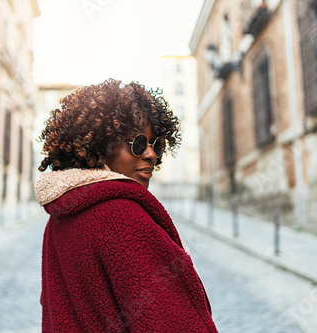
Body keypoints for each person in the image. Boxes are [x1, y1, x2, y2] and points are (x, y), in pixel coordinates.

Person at [35, 79, 217, 332]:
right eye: (138, 142)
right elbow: (170, 321)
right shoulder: (121, 215)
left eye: (156, 145)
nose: (151, 154)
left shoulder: (61, 216)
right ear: (99, 149)